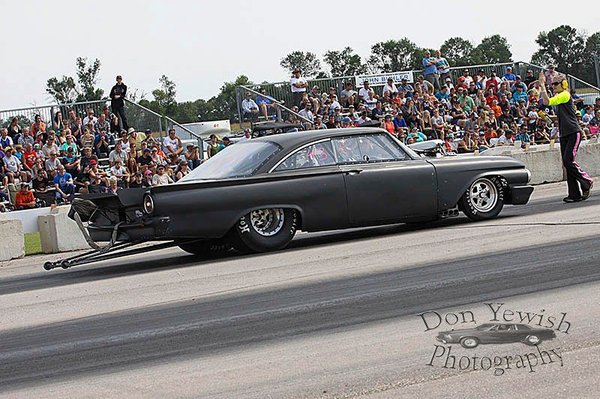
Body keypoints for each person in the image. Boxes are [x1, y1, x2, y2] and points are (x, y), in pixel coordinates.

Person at [539, 72, 593, 202]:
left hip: (573, 132)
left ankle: (587, 180)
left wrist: (542, 84)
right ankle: (574, 194)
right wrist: (546, 118)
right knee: (566, 162)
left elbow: (547, 101)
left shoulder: (564, 95)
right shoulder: (560, 96)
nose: (553, 86)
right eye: (552, 84)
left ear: (563, 84)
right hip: (564, 133)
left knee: (569, 160)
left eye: (556, 83)